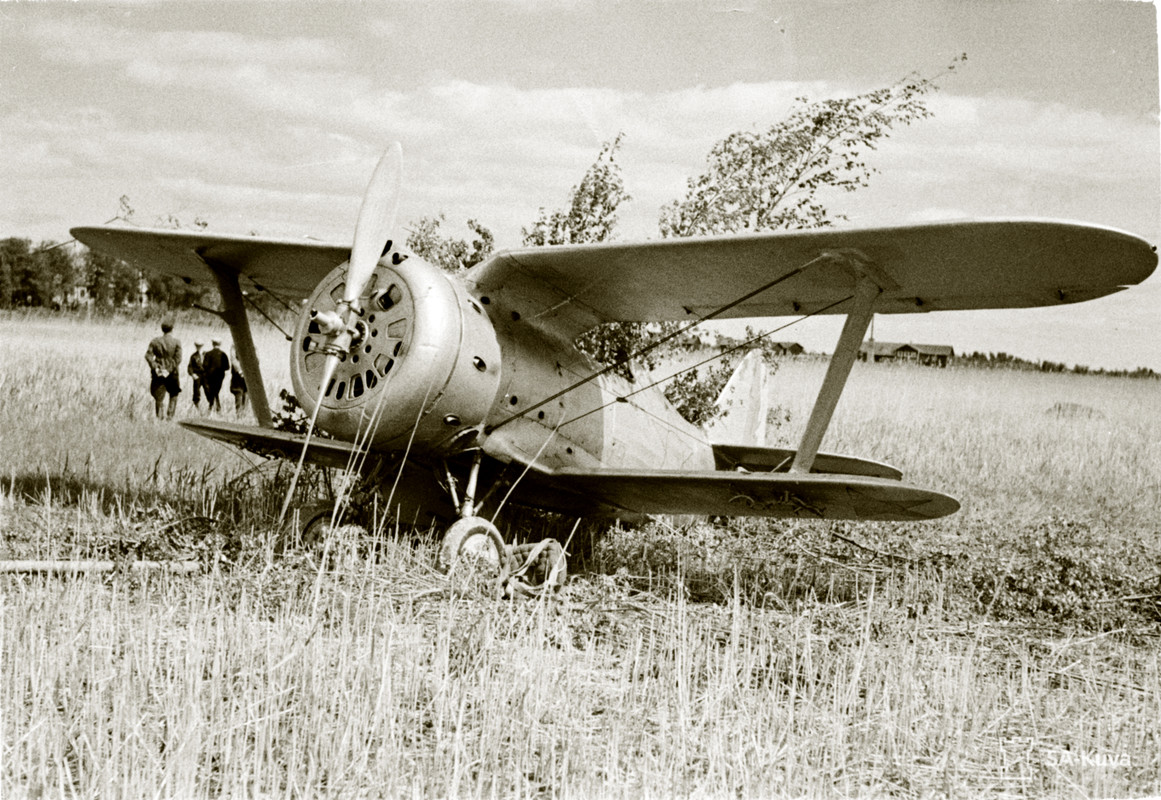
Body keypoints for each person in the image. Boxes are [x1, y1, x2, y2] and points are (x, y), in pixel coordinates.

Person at [145, 319, 182, 420]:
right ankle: (170, 417)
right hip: (173, 373)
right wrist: (169, 370)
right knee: (174, 394)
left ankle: (160, 417)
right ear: (172, 330)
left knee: (159, 396)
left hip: (159, 373)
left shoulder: (155, 341)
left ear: (162, 329)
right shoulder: (176, 342)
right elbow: (178, 359)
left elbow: (148, 356)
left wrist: (155, 367)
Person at [201, 338, 230, 413]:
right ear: (220, 344)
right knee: (216, 391)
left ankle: (212, 407)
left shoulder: (208, 354)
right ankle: (217, 407)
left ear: (212, 344)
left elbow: (205, 365)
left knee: (213, 391)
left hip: (210, 376)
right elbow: (227, 367)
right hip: (220, 376)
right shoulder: (223, 354)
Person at [187, 340, 206, 412]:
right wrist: (192, 374)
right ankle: (197, 406)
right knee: (196, 392)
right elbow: (190, 367)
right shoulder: (193, 356)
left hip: (205, 375)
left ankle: (211, 406)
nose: (199, 348)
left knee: (208, 390)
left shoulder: (206, 355)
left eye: (200, 346)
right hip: (197, 376)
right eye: (197, 346)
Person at [230, 348, 248, 417]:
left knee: (243, 395)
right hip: (241, 376)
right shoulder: (250, 345)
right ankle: (241, 415)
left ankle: (241, 416)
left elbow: (233, 359)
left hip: (240, 375)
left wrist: (240, 371)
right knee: (241, 394)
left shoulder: (234, 346)